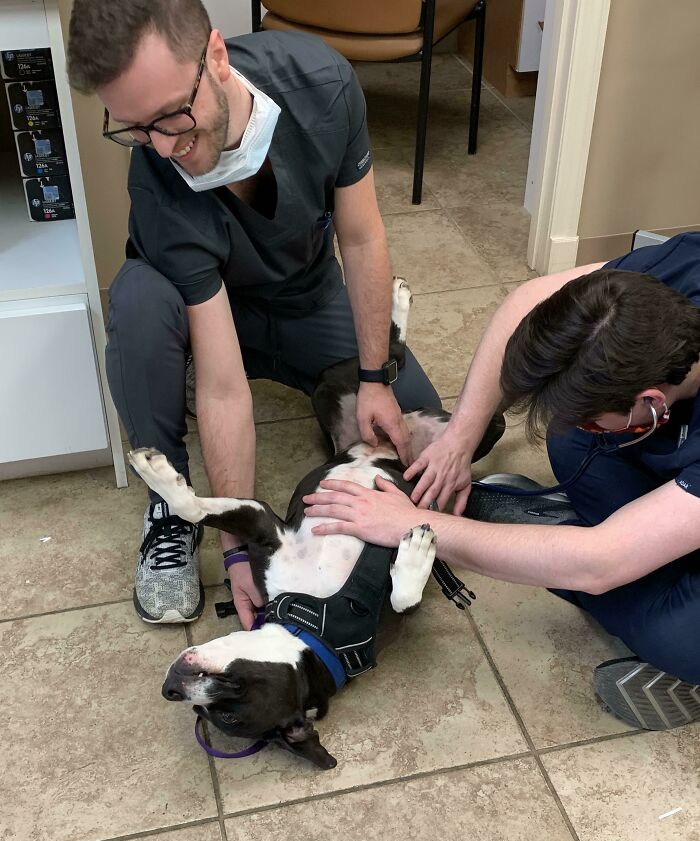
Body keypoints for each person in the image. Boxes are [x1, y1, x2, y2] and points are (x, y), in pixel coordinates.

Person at [66, 0, 440, 627]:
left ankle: (337, 399)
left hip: (306, 295)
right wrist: (235, 544)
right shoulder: (155, 181)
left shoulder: (323, 85)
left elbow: (363, 237)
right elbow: (224, 385)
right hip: (211, 314)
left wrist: (375, 378)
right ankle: (171, 507)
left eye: (171, 116)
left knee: (419, 429)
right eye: (135, 129)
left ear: (216, 56)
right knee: (137, 298)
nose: (162, 148)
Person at [303, 231, 700, 730]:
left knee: (678, 637)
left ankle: (618, 568)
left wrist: (414, 527)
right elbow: (526, 304)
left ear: (654, 401)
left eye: (599, 417)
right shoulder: (675, 273)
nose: (587, 425)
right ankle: (613, 540)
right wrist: (458, 441)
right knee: (570, 439)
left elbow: (602, 564)